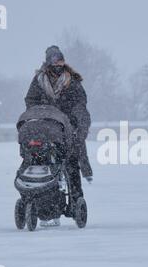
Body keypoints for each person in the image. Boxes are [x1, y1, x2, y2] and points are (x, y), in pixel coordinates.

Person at [25, 45, 92, 226]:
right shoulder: (38, 81)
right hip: (45, 128)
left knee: (70, 163)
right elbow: (30, 101)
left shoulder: (72, 82)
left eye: (60, 60)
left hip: (66, 129)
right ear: (48, 63)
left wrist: (74, 119)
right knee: (36, 159)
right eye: (54, 61)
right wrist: (39, 113)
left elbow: (80, 104)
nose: (58, 64)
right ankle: (34, 199)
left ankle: (76, 200)